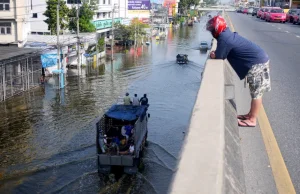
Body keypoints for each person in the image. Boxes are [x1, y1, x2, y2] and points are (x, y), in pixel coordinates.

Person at [206, 16, 271, 128]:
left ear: (216, 29)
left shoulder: (224, 38)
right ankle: (250, 115)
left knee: (256, 94)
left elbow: (219, 56)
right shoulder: (226, 34)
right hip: (257, 61)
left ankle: (252, 119)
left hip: (257, 64)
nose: (211, 31)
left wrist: (214, 54)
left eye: (212, 29)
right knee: (255, 92)